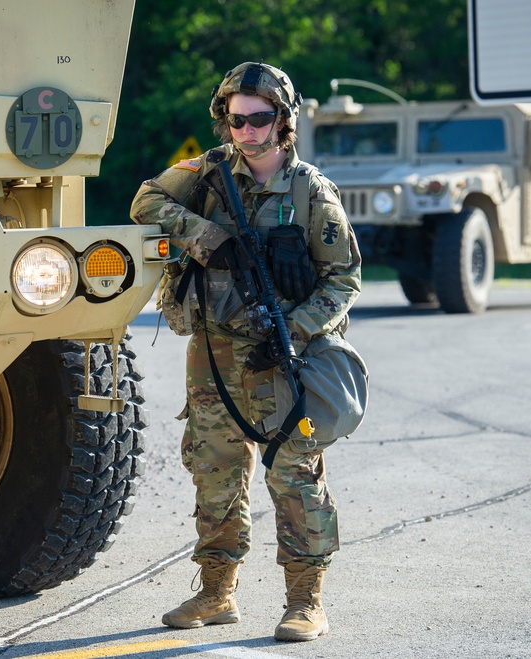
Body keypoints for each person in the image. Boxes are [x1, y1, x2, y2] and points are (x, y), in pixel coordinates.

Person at [130, 62, 364, 642]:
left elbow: (344, 279)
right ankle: (216, 592)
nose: (247, 130)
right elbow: (145, 201)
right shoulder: (206, 174)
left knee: (293, 473)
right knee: (213, 470)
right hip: (212, 350)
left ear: (282, 121)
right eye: (237, 119)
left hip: (282, 351)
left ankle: (305, 602)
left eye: (260, 118)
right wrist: (208, 238)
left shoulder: (310, 189)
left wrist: (297, 328)